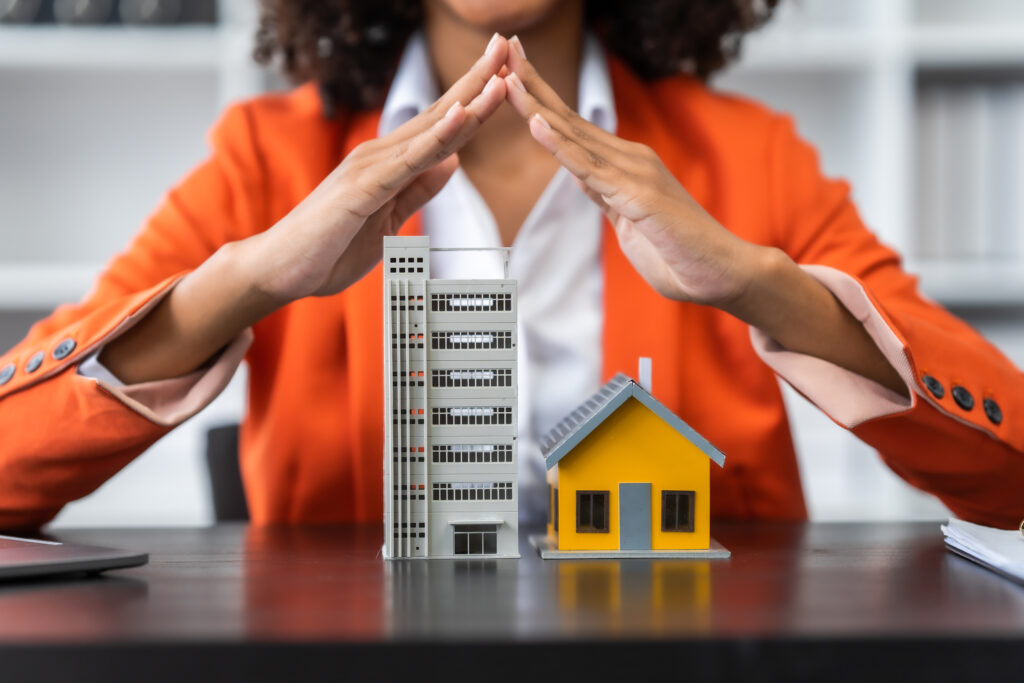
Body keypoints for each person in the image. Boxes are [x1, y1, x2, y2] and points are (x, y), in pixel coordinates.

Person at [0, 0, 1021, 531]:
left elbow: (1008, 472)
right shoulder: (270, 156)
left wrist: (762, 283)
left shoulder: (745, 156)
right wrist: (249, 280)